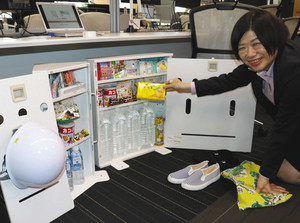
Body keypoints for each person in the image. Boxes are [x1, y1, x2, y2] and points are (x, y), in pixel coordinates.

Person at [163, 9, 300, 194]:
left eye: (256, 44)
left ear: (273, 39)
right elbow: (226, 81)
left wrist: (264, 178)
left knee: (287, 173)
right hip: (293, 124)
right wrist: (184, 86)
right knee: (281, 167)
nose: (250, 54)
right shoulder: (262, 62)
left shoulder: (293, 72)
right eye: (242, 47)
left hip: (291, 124)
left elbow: (282, 129)